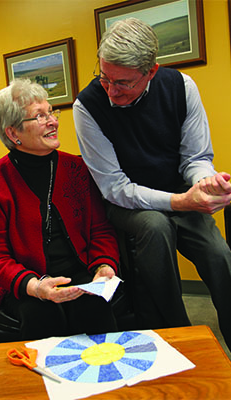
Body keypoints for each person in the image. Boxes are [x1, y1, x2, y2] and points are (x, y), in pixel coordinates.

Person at [73, 18, 231, 351]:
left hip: (181, 194)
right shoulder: (87, 106)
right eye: (104, 78)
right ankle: (179, 340)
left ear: (151, 71)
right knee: (156, 227)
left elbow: (195, 157)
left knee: (219, 256)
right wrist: (180, 202)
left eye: (123, 82)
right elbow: (114, 186)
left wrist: (205, 182)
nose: (111, 91)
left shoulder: (181, 86)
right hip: (126, 204)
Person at [0, 78, 119, 340]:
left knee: (95, 308)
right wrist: (36, 287)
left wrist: (104, 265)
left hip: (80, 272)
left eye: (51, 111)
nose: (53, 122)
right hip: (25, 283)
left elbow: (100, 228)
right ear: (13, 133)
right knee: (43, 316)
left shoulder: (77, 169)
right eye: (39, 117)